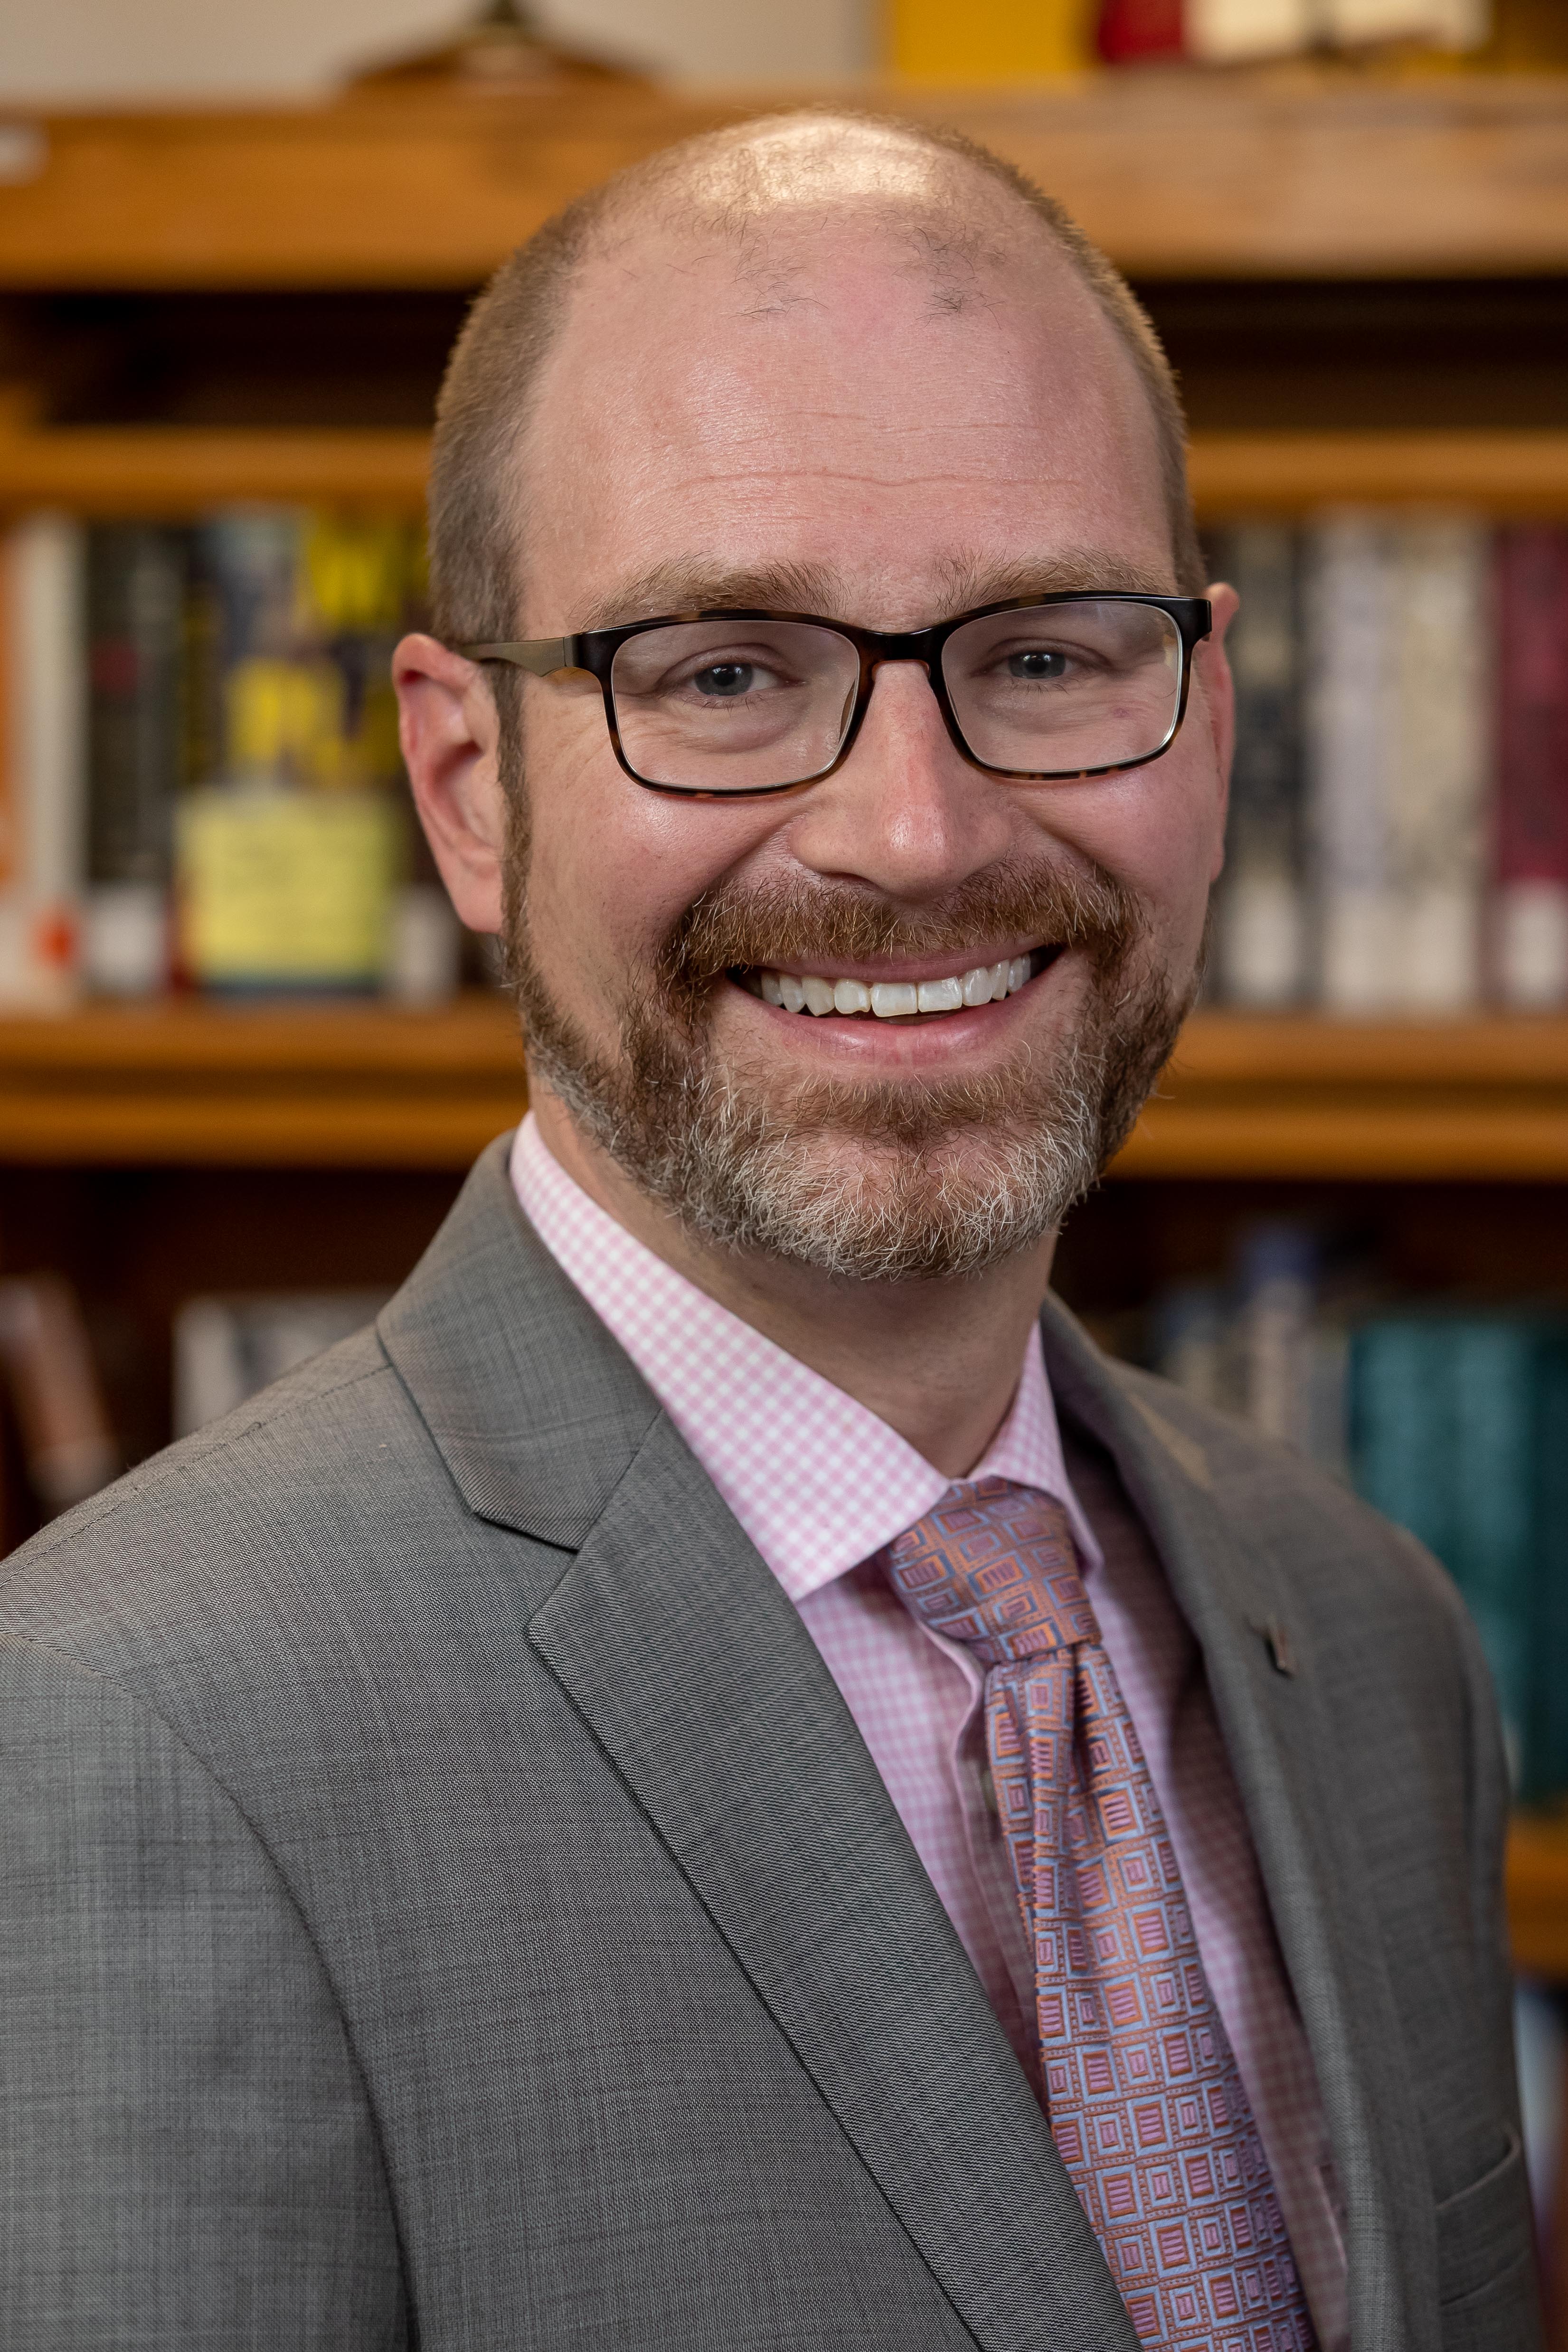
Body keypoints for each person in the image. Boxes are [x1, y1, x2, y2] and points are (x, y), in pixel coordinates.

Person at [0, 112, 1535, 2352]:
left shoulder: (1371, 1633)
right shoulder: (120, 1731)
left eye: (1045, 654)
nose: (912, 835)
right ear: (467, 787)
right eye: (723, 672)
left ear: (1205, 725)